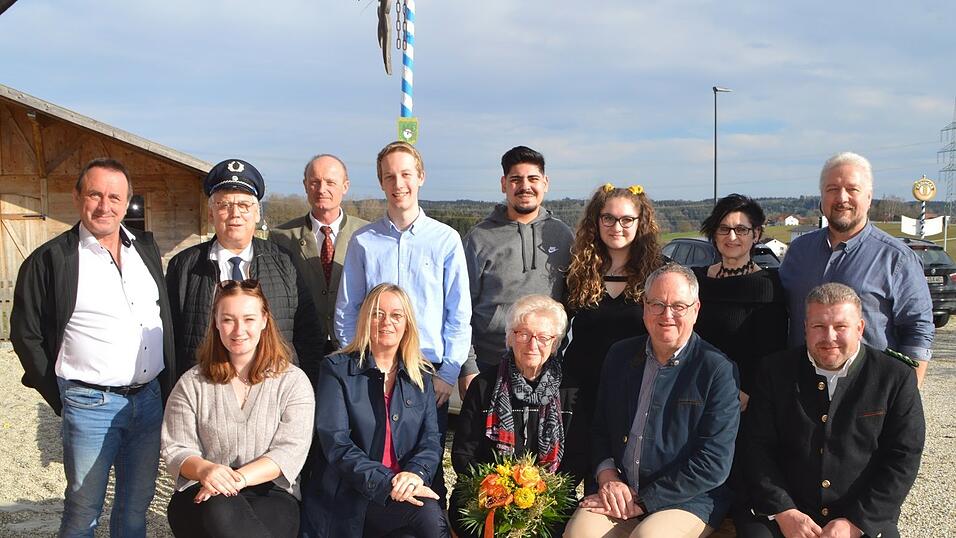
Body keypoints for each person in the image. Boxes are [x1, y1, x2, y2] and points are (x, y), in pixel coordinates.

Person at [11, 158, 175, 537]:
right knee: (84, 509)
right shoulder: (52, 260)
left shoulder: (145, 250)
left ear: (127, 201)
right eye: (95, 194)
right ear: (77, 197)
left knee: (136, 506)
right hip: (90, 406)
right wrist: (64, 396)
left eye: (115, 197)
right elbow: (26, 335)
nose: (105, 206)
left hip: (148, 403)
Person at [335, 141, 471, 503]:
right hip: (373, 368)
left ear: (421, 177)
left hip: (425, 371)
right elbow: (348, 308)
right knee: (373, 461)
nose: (399, 184)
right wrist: (358, 365)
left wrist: (447, 374)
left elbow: (459, 313)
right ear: (381, 183)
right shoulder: (364, 242)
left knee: (425, 466)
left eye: (406, 174)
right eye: (389, 176)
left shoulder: (445, 240)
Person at [563, 263, 740, 538]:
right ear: (644, 307)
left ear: (695, 310)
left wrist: (644, 500)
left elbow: (713, 462)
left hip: (686, 499)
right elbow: (600, 428)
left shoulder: (717, 370)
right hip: (620, 490)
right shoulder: (619, 355)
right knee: (580, 534)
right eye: (657, 304)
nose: (666, 315)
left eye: (678, 306)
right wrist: (607, 477)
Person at [740, 283, 924, 538]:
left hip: (860, 513)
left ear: (860, 328)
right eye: (818, 327)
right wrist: (784, 511)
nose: (829, 337)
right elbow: (756, 447)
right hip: (788, 510)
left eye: (840, 327)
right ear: (805, 329)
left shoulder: (895, 377)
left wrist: (856, 522)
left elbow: (903, 458)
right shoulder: (774, 371)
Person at [161, 279, 314, 538]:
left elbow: (290, 451)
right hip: (203, 492)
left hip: (270, 493)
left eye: (249, 319)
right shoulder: (192, 383)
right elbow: (175, 448)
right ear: (216, 323)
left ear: (265, 320)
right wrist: (206, 469)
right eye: (228, 319)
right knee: (220, 506)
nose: (238, 330)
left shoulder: (293, 382)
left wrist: (238, 479)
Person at [303, 283, 449, 538]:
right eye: (377, 314)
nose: (386, 322)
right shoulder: (336, 369)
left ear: (407, 324)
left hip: (403, 491)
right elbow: (336, 444)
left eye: (396, 315)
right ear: (365, 320)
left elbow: (431, 440)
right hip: (351, 495)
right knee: (428, 517)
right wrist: (388, 482)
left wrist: (415, 473)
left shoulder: (421, 375)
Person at [779, 152, 933, 387]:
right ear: (821, 197)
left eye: (852, 189)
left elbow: (917, 329)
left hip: (869, 392)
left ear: (869, 197)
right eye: (832, 189)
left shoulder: (896, 258)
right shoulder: (799, 251)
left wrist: (906, 395)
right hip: (801, 390)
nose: (842, 198)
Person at [166, 158, 323, 381]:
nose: (235, 214)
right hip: (207, 388)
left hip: (272, 387)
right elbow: (170, 342)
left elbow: (308, 335)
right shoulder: (184, 266)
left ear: (257, 213)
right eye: (224, 205)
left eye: (244, 205)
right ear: (211, 213)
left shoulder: (284, 262)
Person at [450, 295, 580, 538]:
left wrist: (542, 491)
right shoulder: (484, 386)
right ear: (510, 337)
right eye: (523, 334)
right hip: (487, 493)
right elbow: (463, 452)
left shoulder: (570, 392)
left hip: (550, 498)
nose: (533, 344)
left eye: (543, 337)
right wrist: (498, 489)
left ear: (555, 343)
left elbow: (577, 459)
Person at [562, 183, 663, 487]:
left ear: (640, 223)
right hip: (581, 391)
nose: (616, 227)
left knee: (616, 480)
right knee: (571, 475)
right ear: (596, 221)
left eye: (626, 220)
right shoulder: (578, 272)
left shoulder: (658, 273)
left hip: (633, 392)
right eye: (608, 218)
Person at [462, 146, 573, 380]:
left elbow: (572, 302)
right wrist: (468, 368)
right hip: (489, 365)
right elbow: (460, 310)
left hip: (547, 364)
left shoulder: (562, 236)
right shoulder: (479, 238)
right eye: (516, 179)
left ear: (545, 183)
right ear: (504, 184)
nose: (525, 186)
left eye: (533, 178)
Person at [694, 194, 788, 409]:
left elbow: (771, 351)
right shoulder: (696, 281)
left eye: (741, 230)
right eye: (724, 229)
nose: (732, 237)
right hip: (694, 392)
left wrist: (745, 392)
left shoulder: (769, 286)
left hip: (742, 401)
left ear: (756, 234)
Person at [269, 154, 369, 356]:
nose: (322, 189)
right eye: (315, 182)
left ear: (345, 186)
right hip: (301, 347)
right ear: (305, 185)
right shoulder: (281, 237)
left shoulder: (367, 235)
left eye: (330, 182)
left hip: (355, 346)